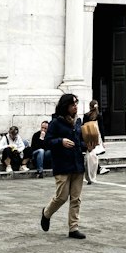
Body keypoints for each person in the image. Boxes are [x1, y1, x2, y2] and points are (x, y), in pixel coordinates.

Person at [39, 92, 87, 238]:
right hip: (62, 164)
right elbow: (47, 142)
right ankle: (46, 213)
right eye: (73, 104)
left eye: (76, 104)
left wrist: (88, 145)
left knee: (76, 198)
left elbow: (80, 142)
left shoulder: (78, 122)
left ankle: (73, 228)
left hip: (77, 164)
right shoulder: (56, 123)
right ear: (65, 106)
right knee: (61, 197)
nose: (75, 107)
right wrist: (61, 141)